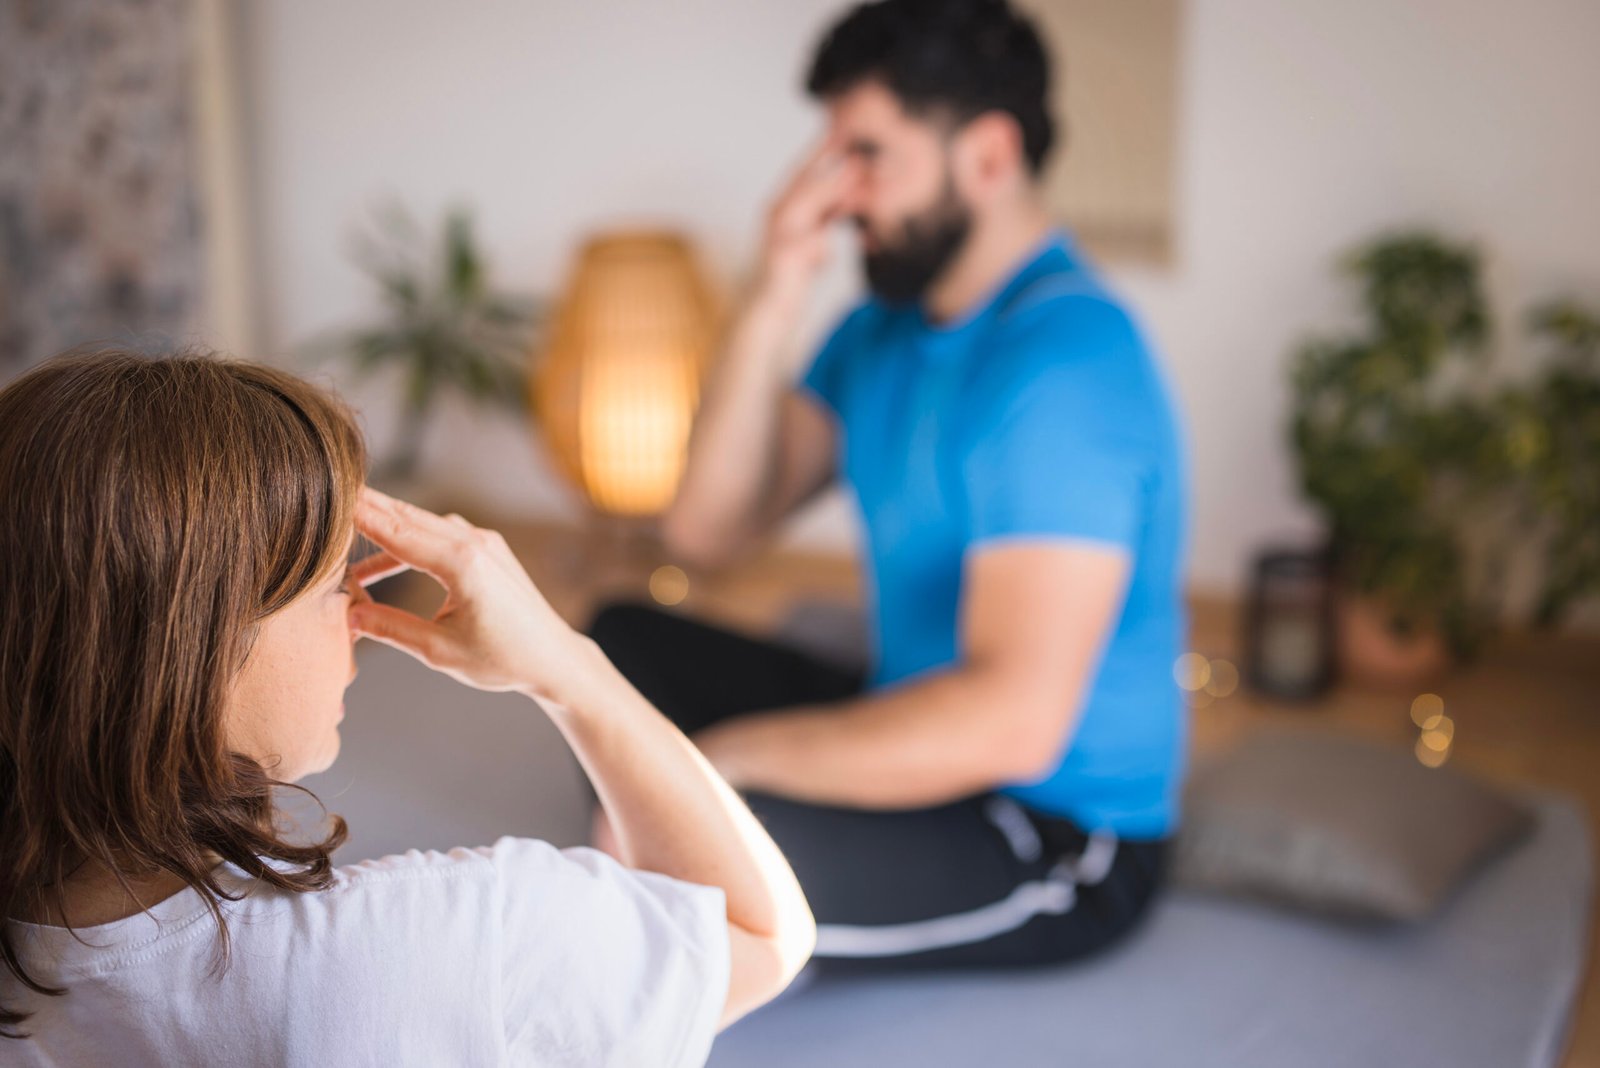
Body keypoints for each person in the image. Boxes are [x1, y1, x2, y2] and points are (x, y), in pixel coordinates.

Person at [0, 349, 814, 1065]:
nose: (356, 613)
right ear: (196, 651)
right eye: (330, 586)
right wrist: (570, 668)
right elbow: (760, 935)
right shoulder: (437, 942)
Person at [589, 0, 1190, 971]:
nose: (837, 193)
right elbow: (704, 531)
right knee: (612, 647)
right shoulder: (882, 332)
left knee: (673, 874)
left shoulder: (1065, 364)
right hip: (910, 715)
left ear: (988, 158)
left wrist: (724, 763)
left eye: (867, 155)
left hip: (1049, 824)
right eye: (830, 155)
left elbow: (1013, 724)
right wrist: (774, 291)